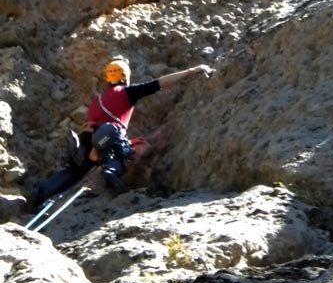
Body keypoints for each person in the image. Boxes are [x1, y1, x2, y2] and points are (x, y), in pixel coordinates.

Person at [32, 56, 211, 205]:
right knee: (121, 149)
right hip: (107, 136)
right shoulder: (127, 92)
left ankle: (42, 192)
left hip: (87, 137)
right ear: (125, 76)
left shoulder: (98, 99)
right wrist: (191, 71)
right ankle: (112, 170)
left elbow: (91, 123)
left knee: (75, 171)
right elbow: (158, 84)